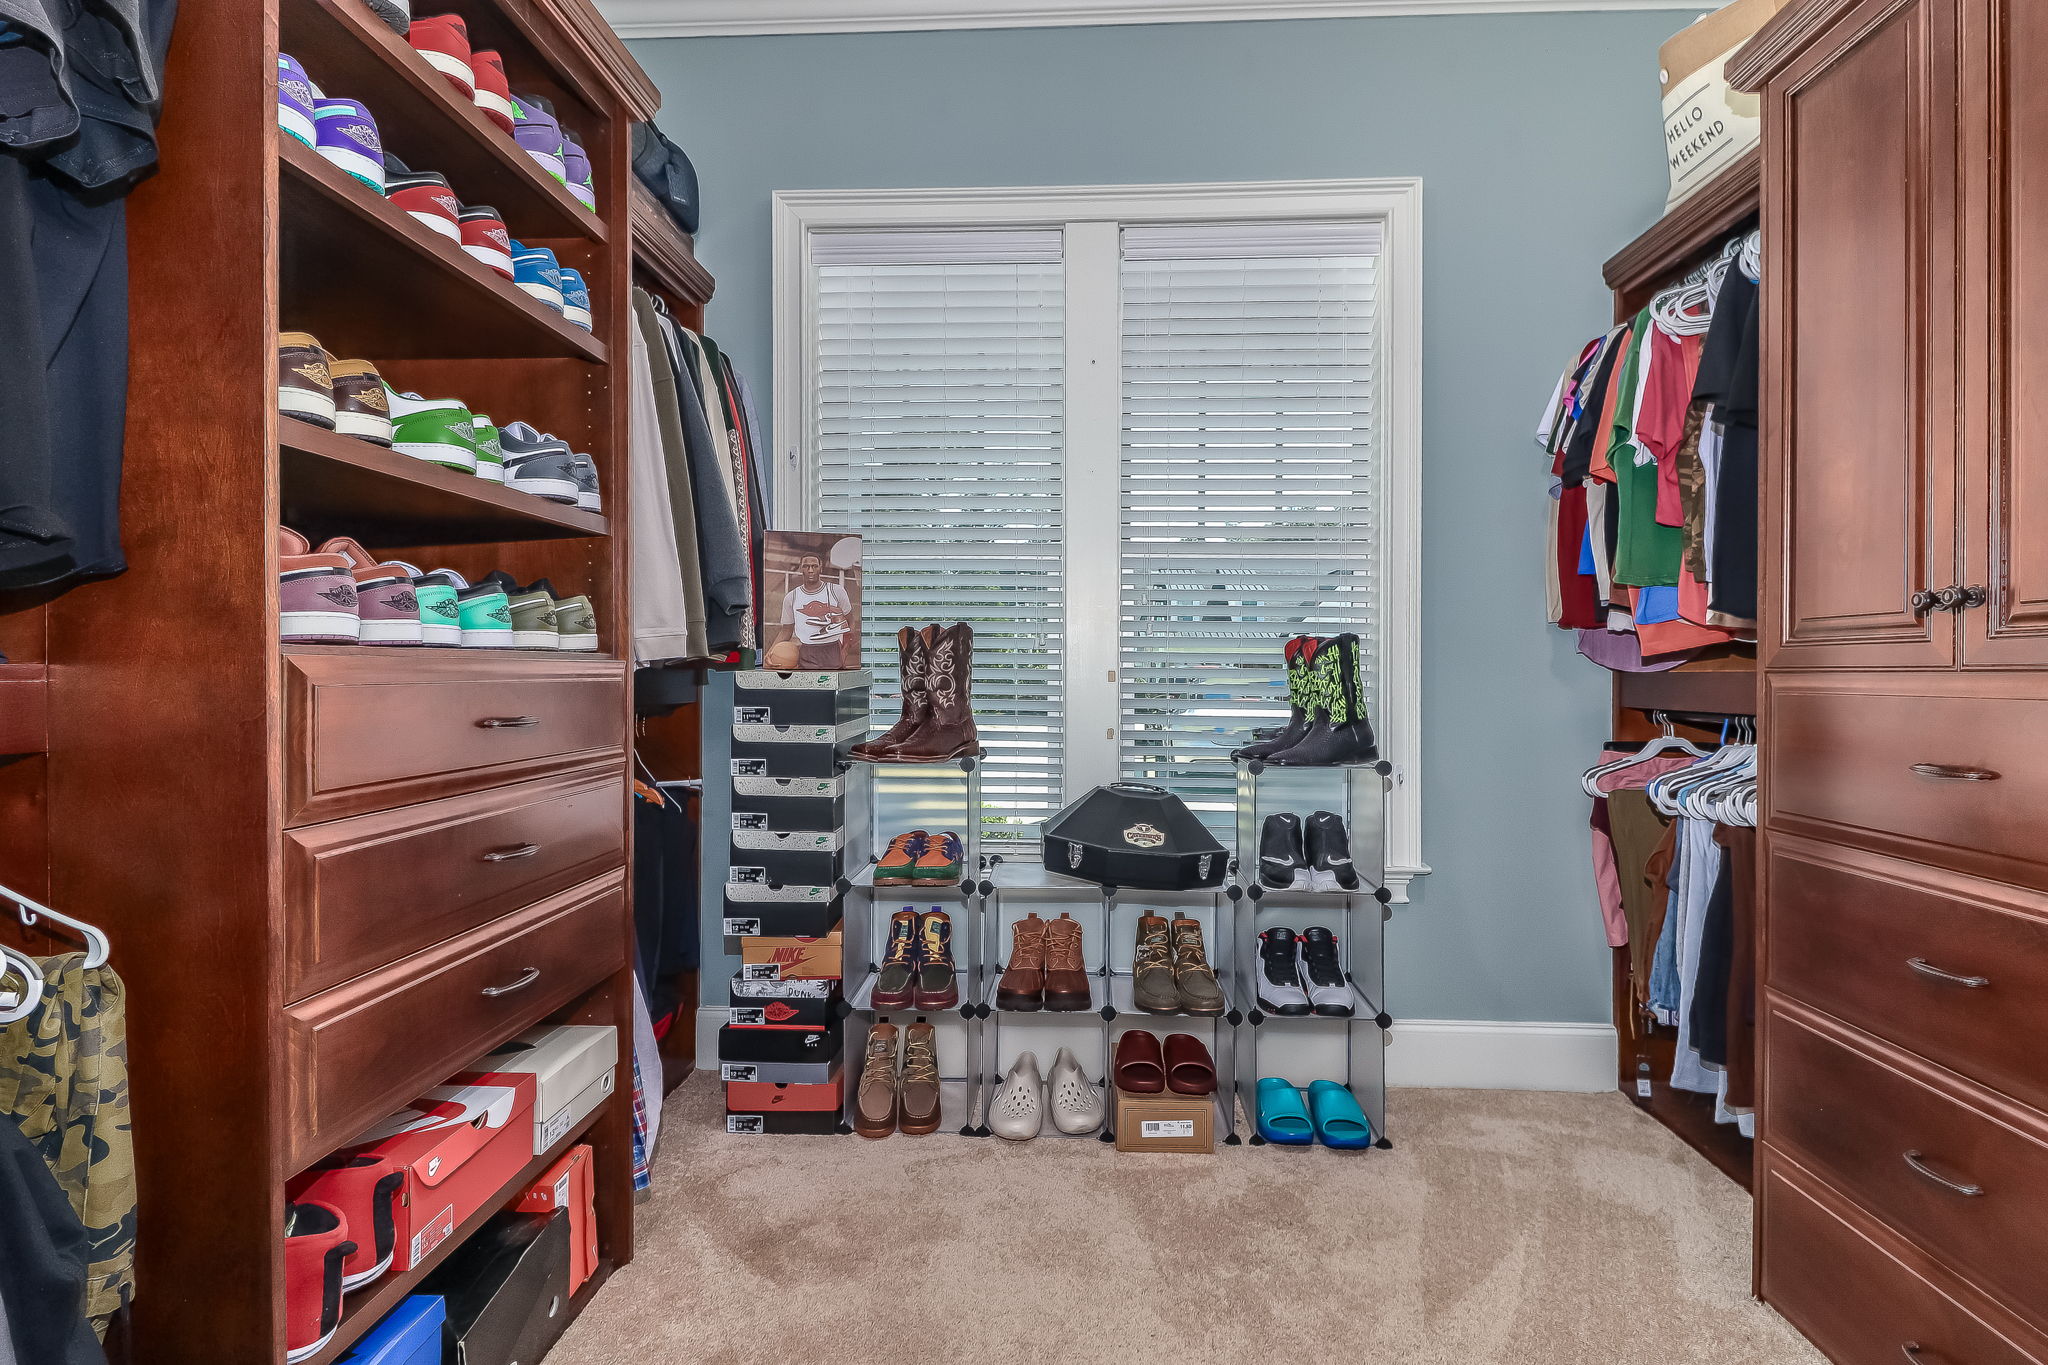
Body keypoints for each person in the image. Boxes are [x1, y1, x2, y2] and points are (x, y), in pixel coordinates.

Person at [772, 553, 854, 668]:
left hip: (833, 652)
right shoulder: (791, 597)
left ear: (821, 568)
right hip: (806, 654)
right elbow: (786, 630)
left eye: (814, 566)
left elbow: (851, 622)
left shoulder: (836, 591)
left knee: (832, 685)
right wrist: (770, 653)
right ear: (801, 568)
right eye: (806, 566)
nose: (810, 570)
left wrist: (845, 650)